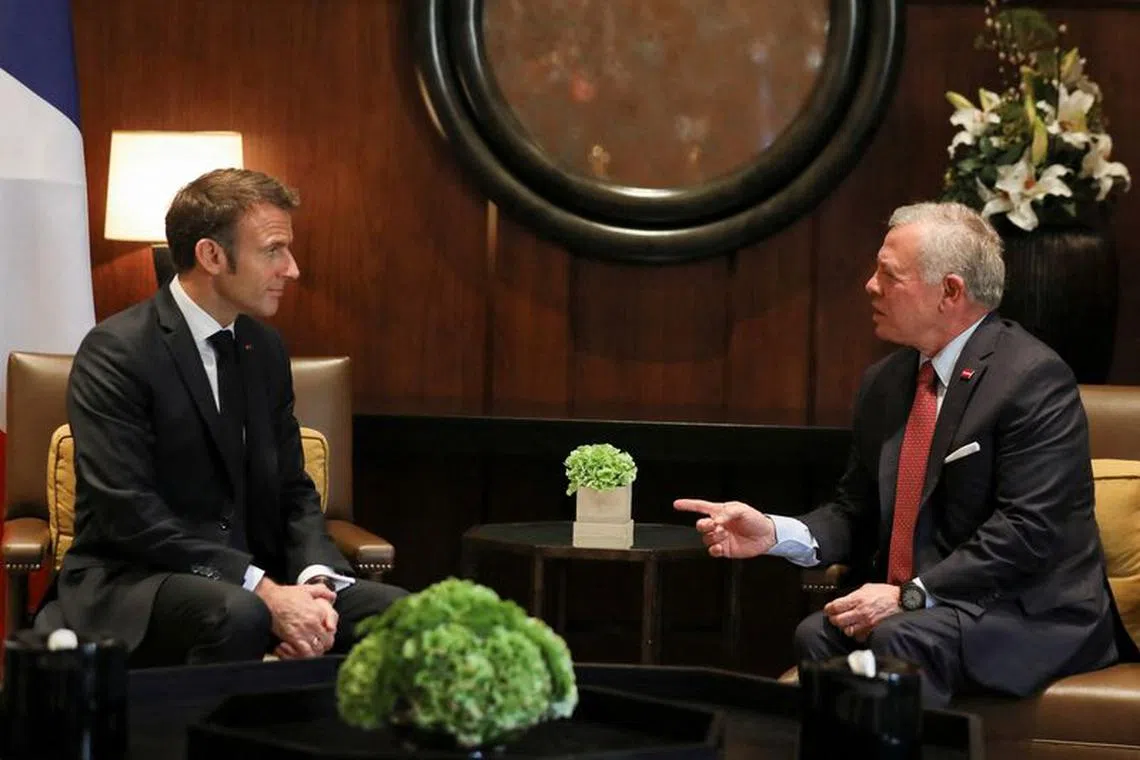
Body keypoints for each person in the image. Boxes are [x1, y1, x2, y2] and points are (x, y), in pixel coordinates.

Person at [676, 201, 1117, 706]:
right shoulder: (885, 383)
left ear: (949, 291)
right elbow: (853, 512)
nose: (870, 285)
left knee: (899, 639)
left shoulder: (1033, 379)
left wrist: (910, 595)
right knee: (818, 634)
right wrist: (775, 533)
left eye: (889, 275)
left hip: (1026, 609)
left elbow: (1027, 531)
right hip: (931, 608)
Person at [36, 168, 406, 666]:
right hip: (138, 580)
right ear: (211, 255)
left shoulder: (265, 349)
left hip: (261, 576)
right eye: (273, 250)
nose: (292, 269)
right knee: (241, 614)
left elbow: (294, 490)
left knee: (402, 616)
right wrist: (263, 592)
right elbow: (129, 513)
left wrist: (313, 584)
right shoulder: (116, 351)